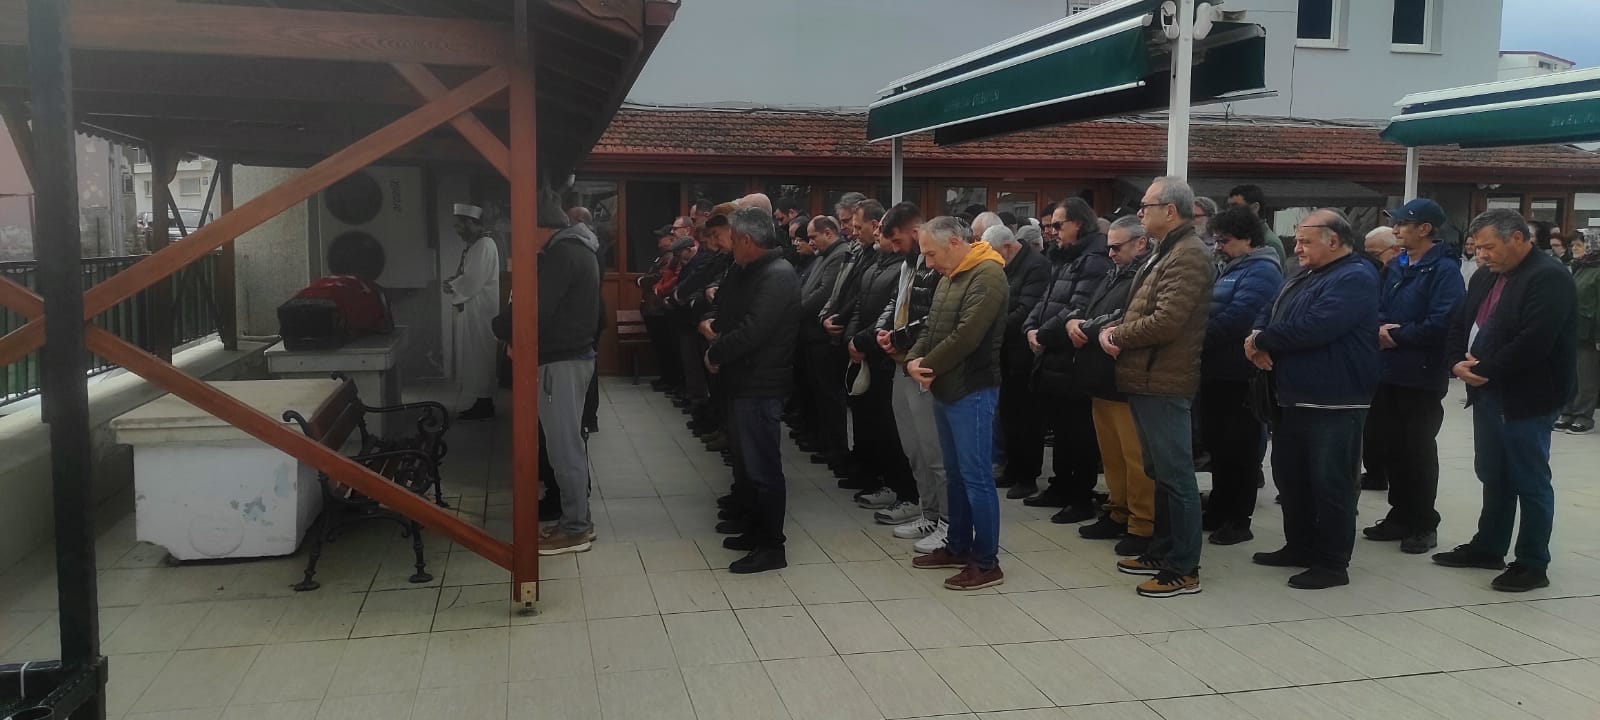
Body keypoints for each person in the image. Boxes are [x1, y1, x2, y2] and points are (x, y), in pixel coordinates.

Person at [1437, 209, 1577, 592]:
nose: (1481, 255)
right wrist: (1455, 362)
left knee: (1529, 479)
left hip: (1527, 396)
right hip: (1486, 390)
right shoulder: (1485, 275)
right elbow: (1460, 321)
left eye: (1488, 247)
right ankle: (1489, 546)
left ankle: (1532, 562)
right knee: (1492, 472)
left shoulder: (1549, 276)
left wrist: (1486, 369)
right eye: (1477, 248)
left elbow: (1535, 340)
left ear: (1517, 238)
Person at [1246, 208, 1379, 589]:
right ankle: (1300, 545)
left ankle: (1333, 562)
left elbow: (1317, 326)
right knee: (1291, 478)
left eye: (1305, 241)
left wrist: (1262, 340)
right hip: (1292, 396)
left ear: (1333, 241)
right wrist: (1256, 335)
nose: (1297, 248)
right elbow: (1268, 309)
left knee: (1331, 483)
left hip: (1334, 399)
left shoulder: (1355, 276)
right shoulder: (1303, 273)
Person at [1100, 176, 1215, 598]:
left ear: (1170, 210)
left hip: (1164, 379)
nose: (1140, 212)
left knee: (1177, 477)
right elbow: (1142, 309)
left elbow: (1167, 321)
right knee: (1159, 472)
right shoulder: (1165, 251)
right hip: (1145, 376)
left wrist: (1117, 335)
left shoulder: (1189, 254)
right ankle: (1162, 551)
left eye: (1146, 205)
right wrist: (1115, 328)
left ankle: (1183, 567)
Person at [908, 216, 1010, 591]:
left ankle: (986, 562)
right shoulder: (951, 274)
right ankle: (958, 545)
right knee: (955, 473)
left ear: (954, 242)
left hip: (972, 390)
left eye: (932, 254)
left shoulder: (988, 275)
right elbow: (931, 325)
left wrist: (928, 365)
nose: (929, 263)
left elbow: (968, 335)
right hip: (946, 388)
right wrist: (914, 359)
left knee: (976, 477)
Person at [1361, 199, 1465, 555]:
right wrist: (1379, 329)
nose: (1396, 230)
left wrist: (1398, 335)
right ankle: (1399, 514)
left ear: (1425, 229)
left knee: (1417, 449)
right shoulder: (1397, 266)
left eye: (1403, 224)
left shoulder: (1444, 270)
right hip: (1388, 370)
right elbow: (1376, 306)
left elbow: (1444, 320)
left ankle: (1423, 522)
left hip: (1420, 374)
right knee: (1391, 446)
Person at [707, 207, 802, 573]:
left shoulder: (778, 274)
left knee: (763, 468)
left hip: (760, 384)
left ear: (747, 241)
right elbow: (729, 312)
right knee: (747, 466)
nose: (730, 247)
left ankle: (771, 546)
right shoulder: (750, 270)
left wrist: (716, 351)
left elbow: (753, 330)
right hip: (743, 380)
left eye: (733, 241)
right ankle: (755, 530)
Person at [1016, 198, 1111, 521]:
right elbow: (1045, 299)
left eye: (1058, 225)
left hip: (1074, 360)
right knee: (1060, 429)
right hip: (1053, 359)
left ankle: (1080, 496)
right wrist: (1031, 327)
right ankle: (1060, 485)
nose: (1052, 232)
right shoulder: (1063, 256)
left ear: (1078, 224)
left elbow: (1078, 307)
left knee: (1078, 433)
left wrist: (1042, 334)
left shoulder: (1094, 260)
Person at [1069, 217, 1158, 557]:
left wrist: (1086, 328)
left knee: (1135, 458)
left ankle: (1142, 523)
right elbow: (1090, 309)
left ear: (1140, 243)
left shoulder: (1146, 274)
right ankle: (1117, 511)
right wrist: (1073, 321)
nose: (1110, 253)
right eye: (1108, 246)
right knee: (1112, 456)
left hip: (1125, 378)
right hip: (1100, 377)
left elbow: (1127, 317)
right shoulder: (1113, 273)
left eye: (1117, 247)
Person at [1200, 206, 1282, 546]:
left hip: (1240, 373)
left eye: (1225, 240)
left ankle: (1238, 518)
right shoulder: (1229, 267)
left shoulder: (1262, 270)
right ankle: (1219, 507)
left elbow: (1240, 317)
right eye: (1216, 240)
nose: (1219, 246)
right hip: (1216, 371)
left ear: (1248, 238)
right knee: (1218, 445)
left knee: (1241, 447)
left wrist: (1196, 338)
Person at [877, 205, 949, 550]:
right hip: (901, 364)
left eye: (897, 240)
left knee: (934, 452)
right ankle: (929, 513)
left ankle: (948, 521)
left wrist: (900, 337)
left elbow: (936, 317)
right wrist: (882, 330)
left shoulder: (937, 266)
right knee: (914, 449)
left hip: (925, 366)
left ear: (917, 231)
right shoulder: (907, 265)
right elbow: (895, 303)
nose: (894, 248)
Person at [535, 204, 605, 555]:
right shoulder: (580, 249)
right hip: (574, 355)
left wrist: (501, 327)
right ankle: (575, 521)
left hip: (561, 359)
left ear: (542, 227)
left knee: (564, 447)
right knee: (568, 443)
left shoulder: (562, 254)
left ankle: (576, 527)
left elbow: (538, 309)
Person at [845, 203, 921, 521]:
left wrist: (874, 338)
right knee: (882, 430)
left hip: (903, 360)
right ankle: (895, 486)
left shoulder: (923, 265)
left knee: (905, 437)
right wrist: (861, 337)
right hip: (882, 350)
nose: (880, 237)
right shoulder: (893, 264)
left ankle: (914, 498)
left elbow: (922, 315)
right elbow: (882, 306)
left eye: (893, 238)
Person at [795, 216, 853, 467]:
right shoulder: (824, 255)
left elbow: (823, 293)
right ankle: (823, 439)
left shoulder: (839, 255)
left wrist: (795, 310)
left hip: (822, 336)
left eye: (813, 237)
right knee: (817, 392)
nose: (810, 242)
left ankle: (835, 445)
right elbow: (808, 287)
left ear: (828, 233)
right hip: (811, 333)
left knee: (829, 394)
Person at [444, 203, 502, 421]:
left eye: (459, 225)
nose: (457, 230)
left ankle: (484, 404)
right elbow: (468, 275)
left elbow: (473, 280)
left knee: (480, 355)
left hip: (480, 310)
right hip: (474, 308)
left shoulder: (485, 244)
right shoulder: (476, 245)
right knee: (474, 355)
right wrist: (454, 281)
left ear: (470, 223)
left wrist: (452, 286)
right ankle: (480, 401)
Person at [1555, 244, 1600, 435]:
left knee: (1587, 377)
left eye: (1579, 245)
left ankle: (1583, 416)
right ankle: (1567, 411)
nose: (1574, 248)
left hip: (1589, 333)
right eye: (1573, 245)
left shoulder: (1596, 270)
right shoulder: (1581, 267)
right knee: (1571, 374)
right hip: (1573, 329)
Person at [1227, 184, 1288, 264]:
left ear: (1255, 207)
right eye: (1229, 207)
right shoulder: (1234, 237)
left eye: (1236, 206)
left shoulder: (1269, 243)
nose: (1230, 211)